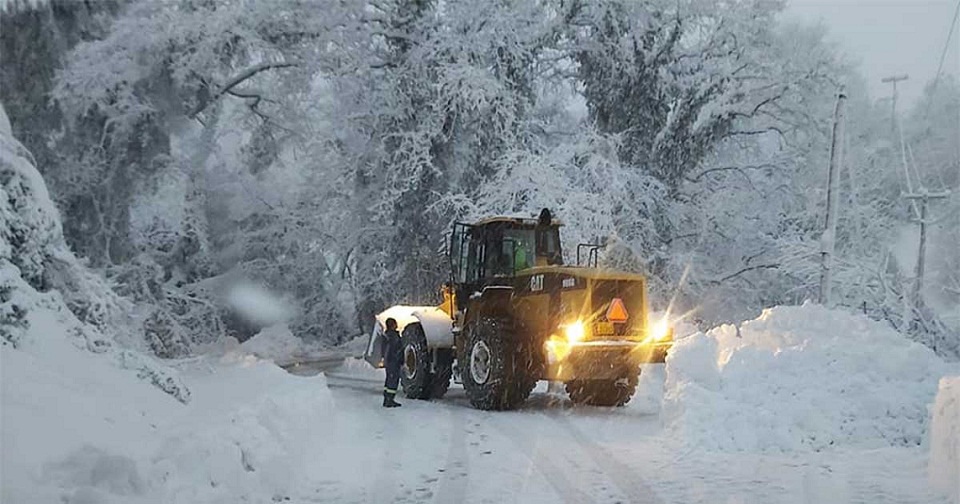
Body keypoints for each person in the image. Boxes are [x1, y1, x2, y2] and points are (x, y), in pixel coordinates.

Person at [382, 318, 402, 408]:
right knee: (393, 381)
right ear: (392, 325)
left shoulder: (387, 335)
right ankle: (390, 400)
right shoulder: (393, 336)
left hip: (389, 362)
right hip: (393, 361)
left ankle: (387, 399)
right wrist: (398, 358)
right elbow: (395, 349)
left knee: (389, 379)